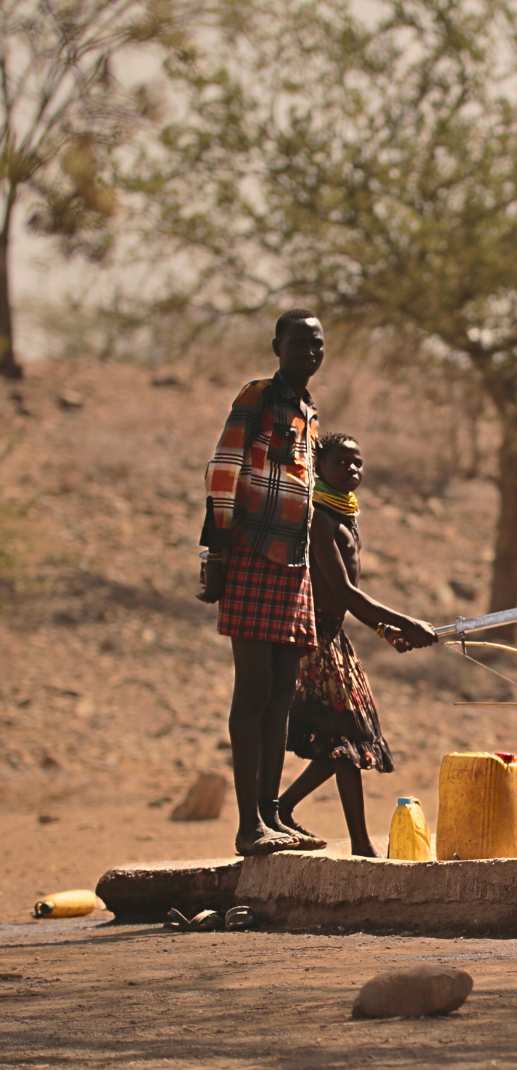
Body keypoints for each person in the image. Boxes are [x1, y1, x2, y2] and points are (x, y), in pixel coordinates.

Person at [274, 434, 437, 855]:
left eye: (357, 464)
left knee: (344, 744)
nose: (352, 470)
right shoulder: (319, 518)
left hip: (333, 636)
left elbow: (346, 599)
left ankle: (303, 817)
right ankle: (303, 817)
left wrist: (386, 632)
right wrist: (406, 621)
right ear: (318, 465)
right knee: (346, 740)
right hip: (315, 638)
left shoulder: (343, 516)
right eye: (342, 463)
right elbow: (344, 591)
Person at [200, 309, 325, 856]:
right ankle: (248, 823)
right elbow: (224, 466)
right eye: (299, 343)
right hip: (252, 552)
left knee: (280, 694)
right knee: (252, 688)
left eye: (317, 345)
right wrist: (218, 549)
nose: (309, 352)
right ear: (277, 345)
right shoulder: (257, 397)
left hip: (291, 563)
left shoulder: (308, 413)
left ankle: (271, 815)